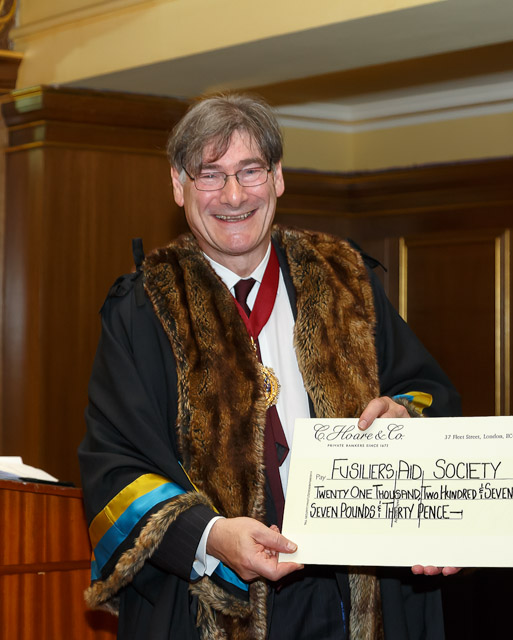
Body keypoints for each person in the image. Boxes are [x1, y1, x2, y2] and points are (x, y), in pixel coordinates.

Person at [79, 93, 461, 639]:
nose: (233, 195)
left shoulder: (346, 280)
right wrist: (211, 536)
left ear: (277, 177)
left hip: (355, 593)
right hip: (207, 603)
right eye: (209, 174)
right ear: (178, 185)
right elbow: (113, 469)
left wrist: (404, 417)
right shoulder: (143, 312)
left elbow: (429, 393)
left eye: (250, 171)